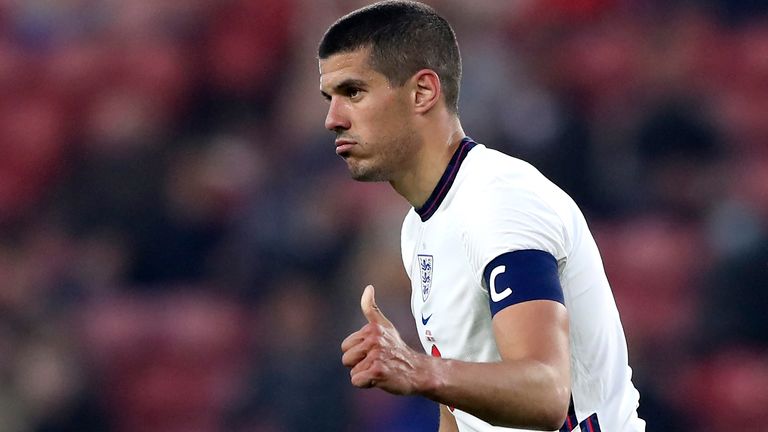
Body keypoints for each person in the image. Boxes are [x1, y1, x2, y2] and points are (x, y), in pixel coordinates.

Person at [318, 1, 645, 431]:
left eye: (353, 92)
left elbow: (546, 391)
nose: (332, 119)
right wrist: (429, 376)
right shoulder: (419, 227)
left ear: (423, 92)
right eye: (330, 98)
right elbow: (458, 409)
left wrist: (418, 370)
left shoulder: (499, 201)